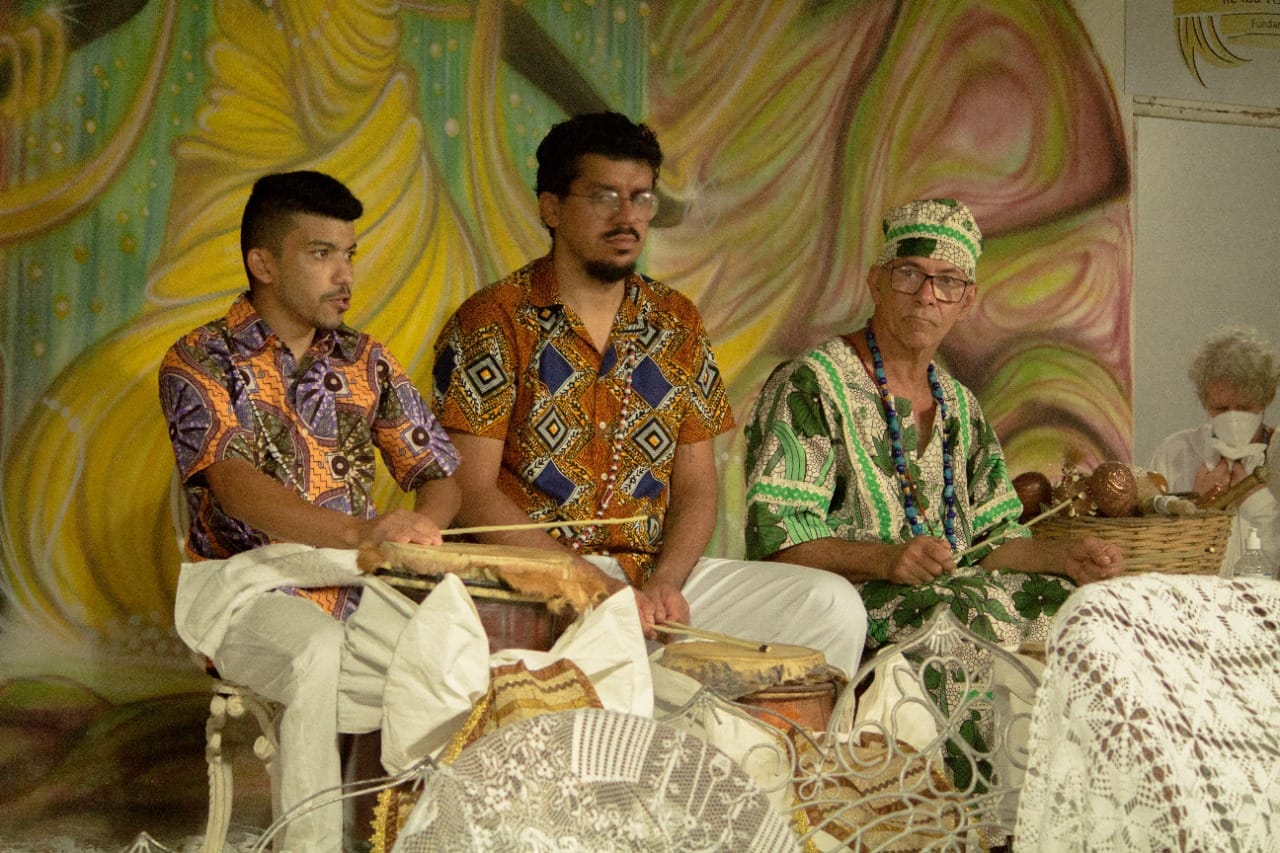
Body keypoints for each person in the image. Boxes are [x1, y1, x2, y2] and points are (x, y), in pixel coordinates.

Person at [431, 111, 866, 678]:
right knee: (604, 654)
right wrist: (587, 580)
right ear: (551, 208)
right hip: (531, 579)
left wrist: (666, 582)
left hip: (648, 578)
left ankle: (754, 732)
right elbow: (470, 490)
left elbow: (697, 487)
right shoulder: (493, 319)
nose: (627, 216)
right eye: (604, 196)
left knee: (829, 603)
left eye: (641, 198)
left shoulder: (676, 322)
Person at [159, 171, 460, 852]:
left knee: (458, 644)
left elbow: (439, 474)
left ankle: (420, 838)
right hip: (245, 589)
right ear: (263, 263)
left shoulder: (366, 359)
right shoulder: (199, 359)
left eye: (349, 253)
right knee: (316, 651)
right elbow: (236, 487)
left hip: (361, 580)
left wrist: (422, 531)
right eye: (321, 253)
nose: (344, 274)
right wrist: (364, 531)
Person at [742, 198, 1123, 663]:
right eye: (908, 274)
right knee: (965, 616)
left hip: (958, 593)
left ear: (966, 301)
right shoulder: (813, 383)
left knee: (1091, 613)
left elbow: (992, 540)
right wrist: (886, 559)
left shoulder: (960, 406)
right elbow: (776, 539)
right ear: (876, 283)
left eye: (947, 282)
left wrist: (1063, 557)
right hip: (846, 604)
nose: (926, 295)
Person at [1150, 325, 1280, 573]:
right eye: (1220, 409)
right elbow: (1152, 551)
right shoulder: (1175, 453)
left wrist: (1259, 505)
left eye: (1245, 407)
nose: (1233, 418)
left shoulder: (1278, 456)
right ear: (1203, 399)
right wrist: (1195, 507)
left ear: (1268, 397)